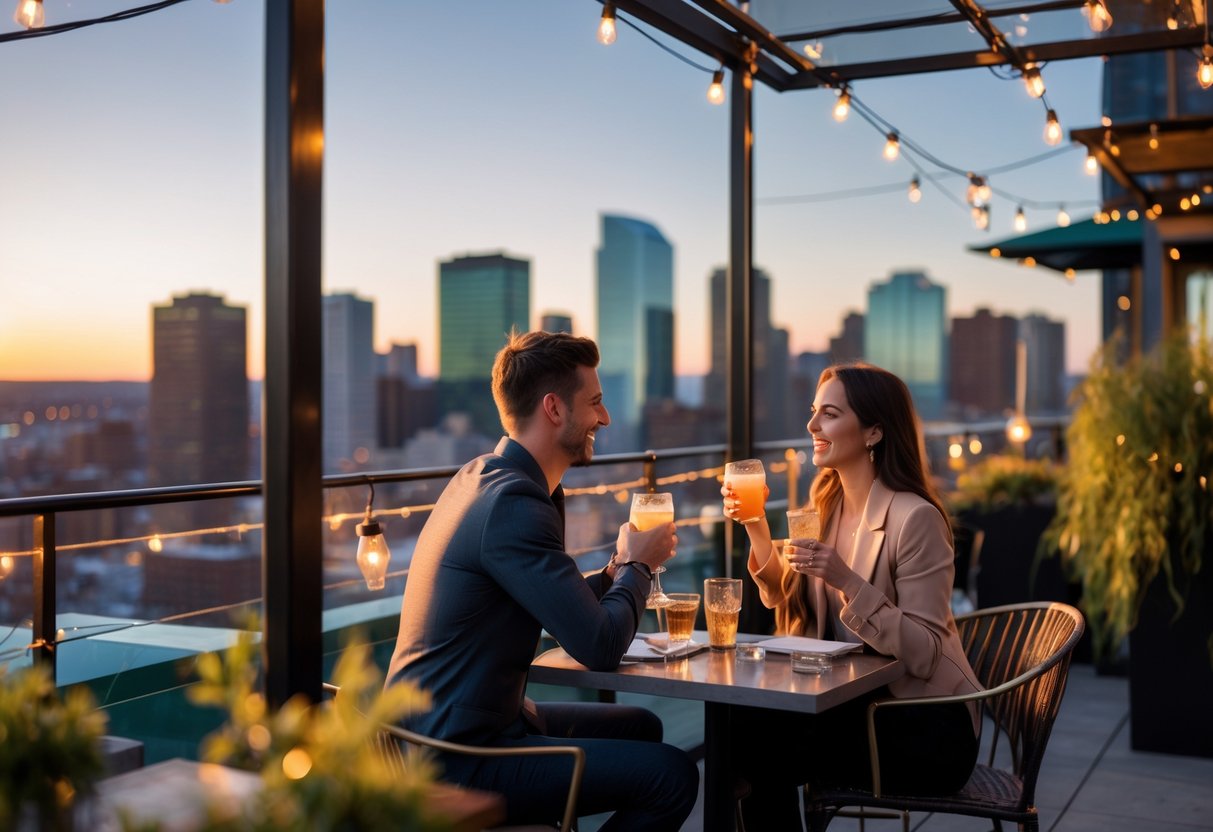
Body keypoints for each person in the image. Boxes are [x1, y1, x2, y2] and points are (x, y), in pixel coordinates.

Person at [386, 330, 699, 831]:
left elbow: (557, 601)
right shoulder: (515, 504)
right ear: (555, 409)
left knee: (642, 727)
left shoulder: (485, 476)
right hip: (457, 756)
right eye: (594, 403)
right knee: (673, 776)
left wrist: (617, 571)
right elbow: (599, 645)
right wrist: (639, 568)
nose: (605, 417)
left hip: (454, 729)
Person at [721, 362, 981, 830]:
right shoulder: (827, 506)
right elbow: (787, 599)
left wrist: (847, 581)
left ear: (874, 432)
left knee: (753, 744)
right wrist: (755, 523)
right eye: (814, 411)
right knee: (741, 733)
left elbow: (924, 653)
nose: (812, 425)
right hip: (853, 706)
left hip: (922, 725)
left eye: (830, 414)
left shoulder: (915, 518)